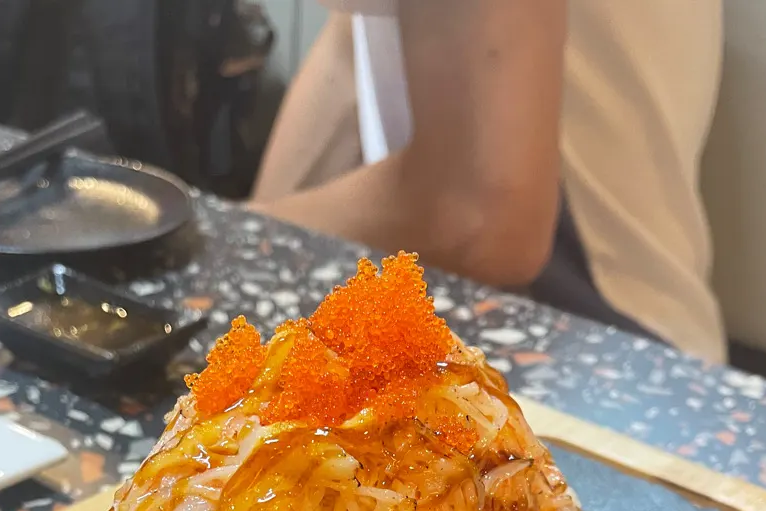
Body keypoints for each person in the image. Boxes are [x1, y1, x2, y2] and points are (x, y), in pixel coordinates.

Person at [251, 0, 726, 362]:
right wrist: (242, 263)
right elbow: (355, 43)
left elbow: (479, 215)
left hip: (596, 351)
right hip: (615, 342)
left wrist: (225, 234)